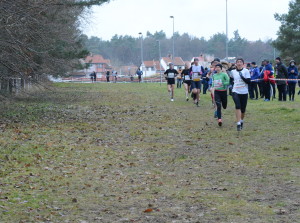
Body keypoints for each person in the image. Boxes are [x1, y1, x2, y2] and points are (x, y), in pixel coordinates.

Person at [230, 58, 251, 131]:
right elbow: (230, 78)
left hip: (244, 92)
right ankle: (238, 123)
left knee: (243, 109)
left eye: (240, 62)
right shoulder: (233, 71)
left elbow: (249, 82)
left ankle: (241, 120)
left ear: (243, 64)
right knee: (237, 106)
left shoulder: (246, 71)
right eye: (237, 62)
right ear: (236, 64)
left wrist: (242, 77)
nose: (239, 63)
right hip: (235, 91)